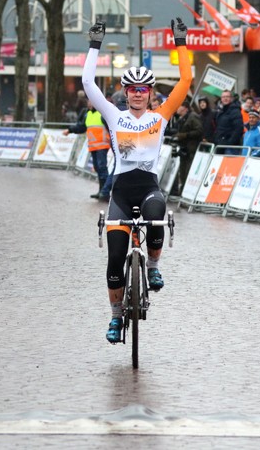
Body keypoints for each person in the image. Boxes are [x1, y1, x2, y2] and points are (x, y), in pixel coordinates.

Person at [81, 18, 192, 344]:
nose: (138, 95)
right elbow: (89, 82)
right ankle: (116, 317)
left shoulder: (160, 117)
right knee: (115, 257)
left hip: (148, 187)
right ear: (126, 93)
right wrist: (94, 45)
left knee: (157, 213)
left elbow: (185, 79)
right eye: (132, 90)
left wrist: (180, 42)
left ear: (150, 93)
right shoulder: (115, 116)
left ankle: (154, 265)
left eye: (143, 90)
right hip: (121, 191)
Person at [62, 99, 110, 199]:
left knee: (102, 168)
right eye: (88, 102)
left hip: (102, 145)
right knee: (97, 168)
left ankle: (105, 193)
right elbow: (81, 127)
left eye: (91, 101)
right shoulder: (88, 115)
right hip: (93, 146)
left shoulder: (102, 114)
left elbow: (111, 128)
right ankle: (101, 191)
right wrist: (70, 130)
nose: (89, 103)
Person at [171, 100, 204, 195]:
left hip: (191, 149)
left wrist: (185, 135)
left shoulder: (193, 117)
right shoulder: (181, 118)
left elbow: (199, 131)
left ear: (184, 108)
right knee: (182, 173)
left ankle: (187, 194)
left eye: (178, 106)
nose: (176, 109)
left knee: (188, 172)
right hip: (183, 149)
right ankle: (182, 193)